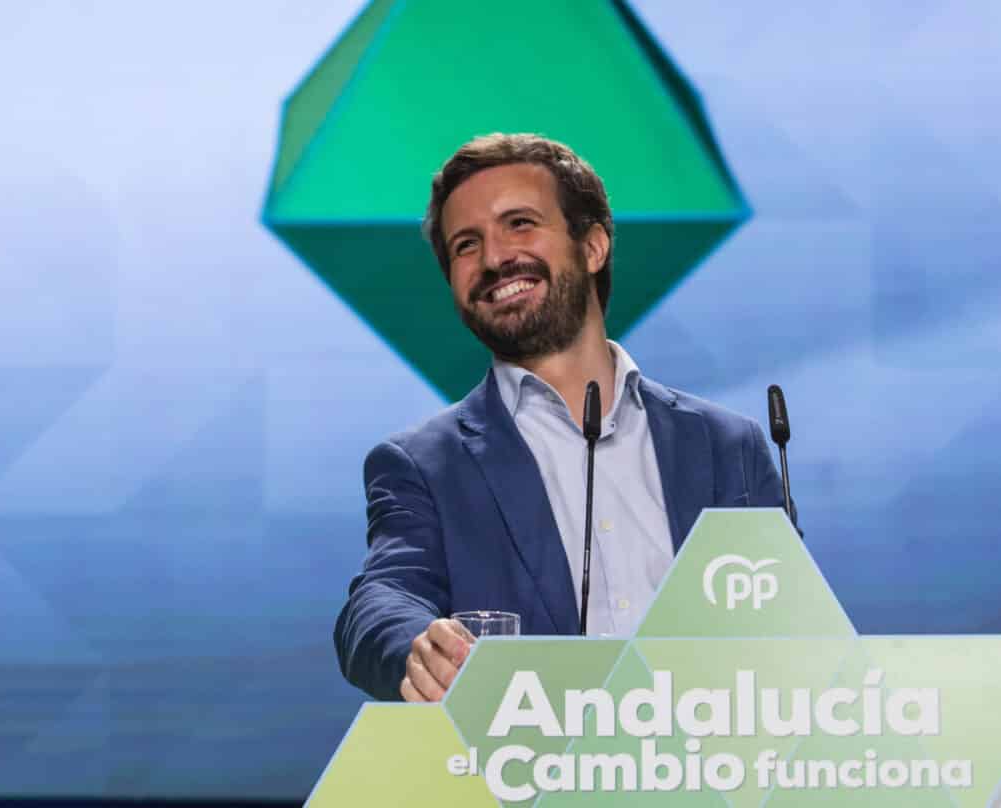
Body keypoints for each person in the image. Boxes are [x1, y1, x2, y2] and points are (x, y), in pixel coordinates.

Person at [333, 133, 792, 702]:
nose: (496, 258)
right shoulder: (423, 465)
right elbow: (380, 602)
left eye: (520, 223)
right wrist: (417, 646)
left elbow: (790, 637)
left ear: (593, 245)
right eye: (466, 245)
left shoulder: (729, 447)